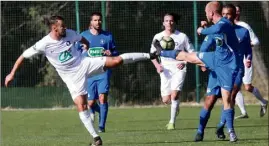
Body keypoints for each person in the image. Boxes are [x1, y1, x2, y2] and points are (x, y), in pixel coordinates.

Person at [5, 15, 158, 146]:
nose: (65, 28)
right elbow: (23, 56)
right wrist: (11, 74)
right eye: (62, 26)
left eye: (64, 26)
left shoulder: (70, 33)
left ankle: (150, 55)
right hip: (71, 77)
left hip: (84, 64)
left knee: (116, 61)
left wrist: (85, 45)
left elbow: (83, 39)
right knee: (81, 105)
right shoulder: (43, 44)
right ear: (54, 28)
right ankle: (96, 138)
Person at [153, 1, 239, 142]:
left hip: (227, 66)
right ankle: (162, 52)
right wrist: (206, 29)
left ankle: (231, 132)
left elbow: (215, 30)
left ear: (211, 13)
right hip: (215, 58)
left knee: (227, 99)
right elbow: (214, 34)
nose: (205, 15)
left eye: (206, 12)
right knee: (189, 56)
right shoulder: (217, 25)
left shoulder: (224, 23)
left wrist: (201, 30)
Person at [192, 4, 253, 142]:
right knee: (210, 100)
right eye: (223, 13)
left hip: (236, 70)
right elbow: (205, 45)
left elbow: (248, 49)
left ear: (235, 15)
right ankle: (200, 130)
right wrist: (202, 61)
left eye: (228, 14)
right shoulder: (218, 29)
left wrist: (248, 59)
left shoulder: (243, 31)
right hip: (218, 69)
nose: (225, 16)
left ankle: (222, 126)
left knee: (230, 98)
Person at [150, 13, 194, 130]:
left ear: (174, 22)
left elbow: (191, 53)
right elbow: (152, 55)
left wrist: (184, 62)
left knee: (174, 95)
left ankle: (171, 122)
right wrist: (157, 66)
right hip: (165, 69)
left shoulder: (182, 36)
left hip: (179, 68)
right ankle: (175, 105)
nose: (169, 23)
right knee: (166, 100)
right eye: (166, 21)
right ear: (163, 23)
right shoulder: (158, 37)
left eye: (171, 21)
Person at [80, 12, 119, 133]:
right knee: (90, 103)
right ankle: (101, 111)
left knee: (102, 98)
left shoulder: (107, 36)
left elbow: (115, 53)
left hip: (104, 71)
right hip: (90, 72)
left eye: (99, 20)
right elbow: (75, 52)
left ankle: (101, 126)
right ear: (91, 22)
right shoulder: (83, 36)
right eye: (95, 20)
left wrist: (110, 53)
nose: (98, 22)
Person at [233, 5, 268, 119]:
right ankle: (243, 112)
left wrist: (246, 47)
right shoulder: (226, 26)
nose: (236, 13)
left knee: (247, 87)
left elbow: (256, 40)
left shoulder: (244, 26)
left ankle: (263, 102)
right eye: (234, 11)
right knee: (235, 86)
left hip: (244, 59)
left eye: (238, 11)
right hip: (232, 61)